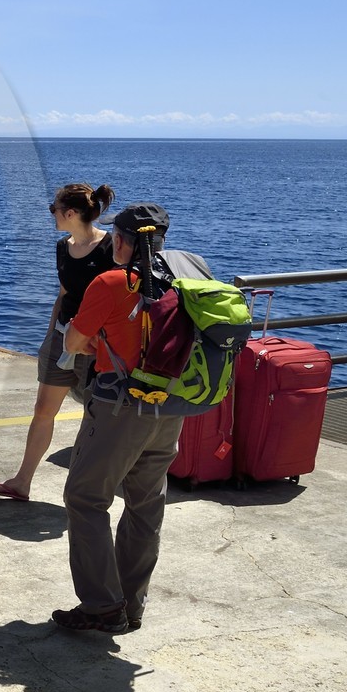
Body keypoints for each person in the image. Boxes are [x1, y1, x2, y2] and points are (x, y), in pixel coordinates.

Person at [53, 203, 205, 634]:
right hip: (170, 407)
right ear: (161, 240)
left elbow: (77, 339)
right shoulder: (187, 278)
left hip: (120, 408)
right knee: (145, 504)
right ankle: (131, 605)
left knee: (86, 499)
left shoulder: (112, 281)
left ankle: (102, 606)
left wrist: (96, 340)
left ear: (120, 240)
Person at [0, 183, 116, 501]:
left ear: (70, 213)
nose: (52, 215)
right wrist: (49, 337)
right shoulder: (63, 246)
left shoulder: (110, 247)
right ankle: (22, 481)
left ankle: (91, 490)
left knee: (95, 415)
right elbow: (64, 294)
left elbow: (118, 298)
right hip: (63, 337)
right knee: (43, 408)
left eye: (53, 209)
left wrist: (96, 340)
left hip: (97, 344)